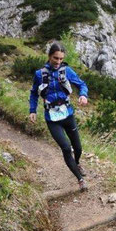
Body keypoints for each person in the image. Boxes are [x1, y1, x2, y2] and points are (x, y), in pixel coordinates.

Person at [29, 42, 90, 190]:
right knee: (66, 147)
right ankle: (80, 179)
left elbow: (82, 84)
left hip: (68, 114)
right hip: (52, 118)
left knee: (78, 148)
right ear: (49, 56)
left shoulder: (66, 70)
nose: (58, 62)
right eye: (55, 58)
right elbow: (33, 93)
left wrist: (83, 95)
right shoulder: (40, 74)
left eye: (61, 59)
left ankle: (77, 162)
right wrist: (32, 110)